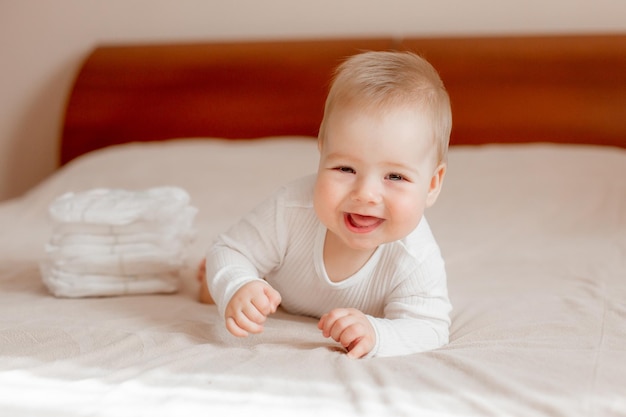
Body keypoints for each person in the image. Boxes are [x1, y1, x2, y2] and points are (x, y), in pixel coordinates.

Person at [200, 50, 453, 358]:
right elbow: (229, 250)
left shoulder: (414, 256)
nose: (366, 194)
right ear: (321, 153)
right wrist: (236, 284)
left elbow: (429, 328)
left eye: (395, 176)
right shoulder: (292, 209)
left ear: (432, 184)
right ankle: (231, 282)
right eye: (345, 169)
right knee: (229, 280)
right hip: (278, 290)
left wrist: (378, 332)